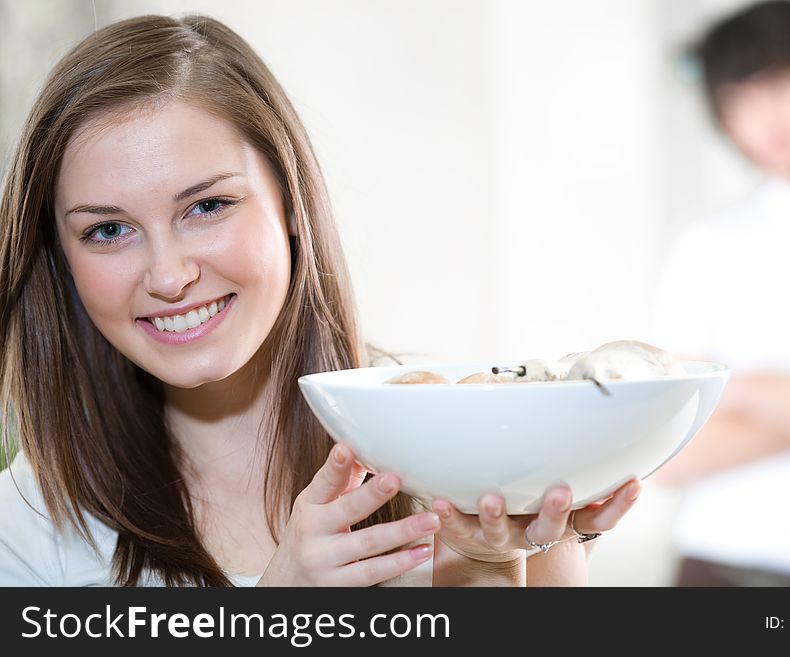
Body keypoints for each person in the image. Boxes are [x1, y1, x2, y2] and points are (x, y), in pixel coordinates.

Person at [0, 14, 639, 586]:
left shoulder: (462, 448)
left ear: (291, 206)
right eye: (107, 231)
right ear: (60, 259)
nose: (168, 276)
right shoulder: (24, 530)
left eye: (207, 206)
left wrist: (494, 570)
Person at [654, 0, 790, 586]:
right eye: (735, 101)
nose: (761, 117)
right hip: (719, 564)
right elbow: (665, 452)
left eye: (776, 84)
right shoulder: (707, 244)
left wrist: (736, 390)